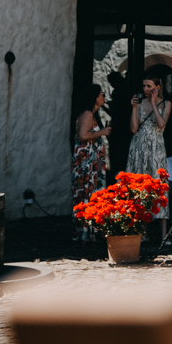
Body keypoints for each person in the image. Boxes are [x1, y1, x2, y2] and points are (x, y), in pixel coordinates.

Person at [71, 83, 111, 243]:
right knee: (88, 193)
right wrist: (102, 132)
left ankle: (93, 230)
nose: (104, 97)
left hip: (94, 163)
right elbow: (83, 136)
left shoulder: (92, 114)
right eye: (101, 94)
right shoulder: (87, 114)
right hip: (87, 164)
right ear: (95, 98)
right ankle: (88, 231)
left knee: (93, 193)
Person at [127, 73, 171, 179]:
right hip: (138, 144)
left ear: (157, 87)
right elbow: (133, 129)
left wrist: (153, 104)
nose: (145, 89)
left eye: (149, 86)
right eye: (144, 86)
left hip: (156, 145)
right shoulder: (140, 103)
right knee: (138, 176)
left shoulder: (166, 103)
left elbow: (161, 124)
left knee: (155, 176)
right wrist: (134, 107)